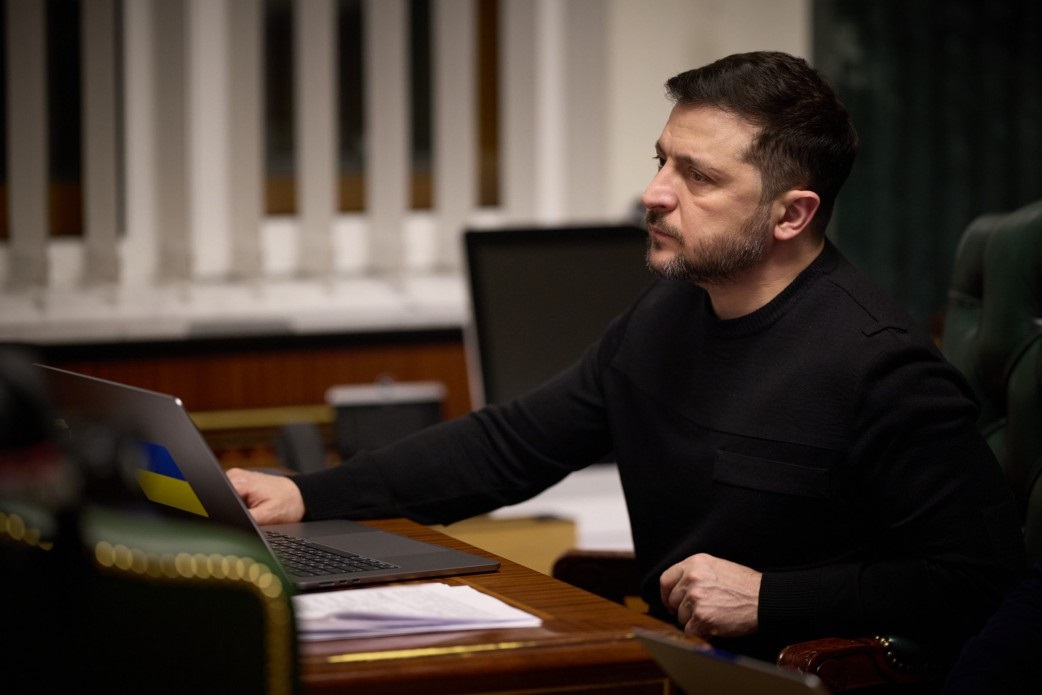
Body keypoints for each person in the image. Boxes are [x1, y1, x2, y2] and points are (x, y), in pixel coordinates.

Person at [228, 51, 1026, 661]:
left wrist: (772, 597)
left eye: (698, 176)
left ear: (792, 215)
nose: (655, 192)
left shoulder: (881, 367)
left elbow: (981, 580)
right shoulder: (668, 311)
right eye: (662, 160)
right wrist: (305, 494)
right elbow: (512, 444)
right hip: (678, 658)